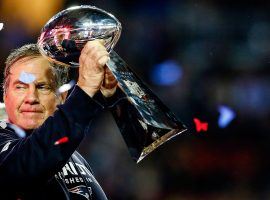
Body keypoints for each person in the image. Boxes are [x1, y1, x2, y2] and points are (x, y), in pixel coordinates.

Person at [0, 40, 118, 199]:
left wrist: (97, 92)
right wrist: (86, 92)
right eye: (20, 87)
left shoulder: (72, 155)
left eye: (42, 87)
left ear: (62, 97)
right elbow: (23, 168)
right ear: (5, 96)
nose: (31, 98)